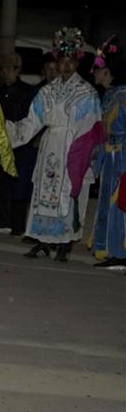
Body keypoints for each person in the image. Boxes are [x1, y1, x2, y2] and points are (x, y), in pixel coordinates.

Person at [5, 28, 105, 262]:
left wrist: (83, 157)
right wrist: (8, 130)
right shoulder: (47, 91)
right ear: (57, 63)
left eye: (70, 62)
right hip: (50, 146)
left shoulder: (86, 93)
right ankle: (42, 241)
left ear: (77, 63)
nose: (66, 66)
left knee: (68, 196)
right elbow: (32, 121)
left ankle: (64, 243)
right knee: (44, 194)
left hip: (73, 149)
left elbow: (93, 129)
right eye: (63, 62)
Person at [88, 35, 126, 268]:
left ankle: (121, 253)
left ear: (108, 71)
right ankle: (109, 249)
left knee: (119, 202)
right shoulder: (108, 94)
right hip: (111, 156)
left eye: (97, 69)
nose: (94, 73)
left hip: (123, 156)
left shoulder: (123, 94)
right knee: (107, 201)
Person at [0, 53, 36, 235]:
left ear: (17, 71)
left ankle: (15, 223)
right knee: (1, 183)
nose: (6, 73)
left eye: (10, 69)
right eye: (3, 70)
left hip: (19, 145)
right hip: (1, 143)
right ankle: (2, 219)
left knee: (16, 184)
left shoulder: (27, 91)